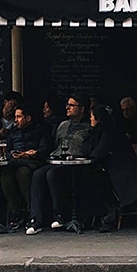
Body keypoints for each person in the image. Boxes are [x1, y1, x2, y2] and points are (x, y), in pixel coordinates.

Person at [27, 96, 93, 234]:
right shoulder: (62, 125)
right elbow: (55, 144)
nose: (67, 108)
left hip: (77, 164)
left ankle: (60, 215)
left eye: (72, 105)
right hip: (58, 159)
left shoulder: (89, 127)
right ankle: (36, 219)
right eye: (67, 105)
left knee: (53, 174)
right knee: (38, 174)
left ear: (82, 108)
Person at [78, 103, 137, 232]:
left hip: (123, 176)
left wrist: (92, 134)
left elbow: (96, 154)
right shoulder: (101, 132)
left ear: (98, 119)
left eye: (92, 117)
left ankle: (108, 210)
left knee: (91, 180)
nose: (90, 120)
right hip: (114, 171)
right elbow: (85, 150)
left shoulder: (109, 133)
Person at [0, 102, 52, 230]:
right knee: (5, 175)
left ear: (28, 118)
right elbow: (9, 149)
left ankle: (30, 210)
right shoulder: (12, 132)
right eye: (15, 117)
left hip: (32, 163)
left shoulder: (41, 129)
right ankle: (15, 211)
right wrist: (13, 155)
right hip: (15, 162)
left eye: (19, 117)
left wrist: (29, 154)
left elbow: (44, 149)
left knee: (23, 174)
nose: (15, 120)